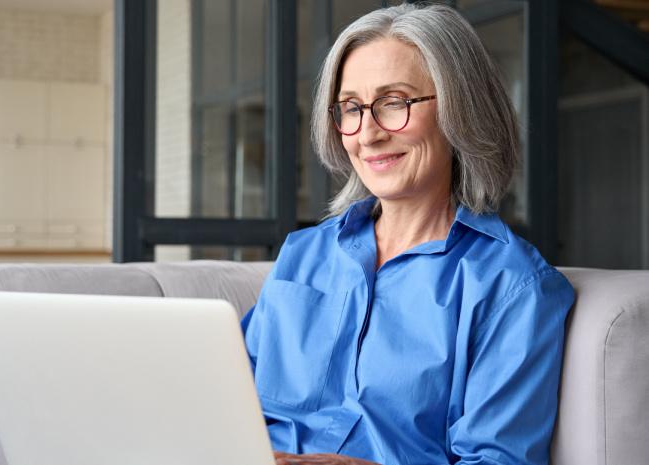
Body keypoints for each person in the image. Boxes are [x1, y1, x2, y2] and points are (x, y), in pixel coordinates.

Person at [241, 4, 575, 465]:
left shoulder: (511, 288)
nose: (368, 133)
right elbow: (224, 392)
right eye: (352, 108)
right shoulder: (303, 254)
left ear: (461, 108)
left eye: (394, 102)